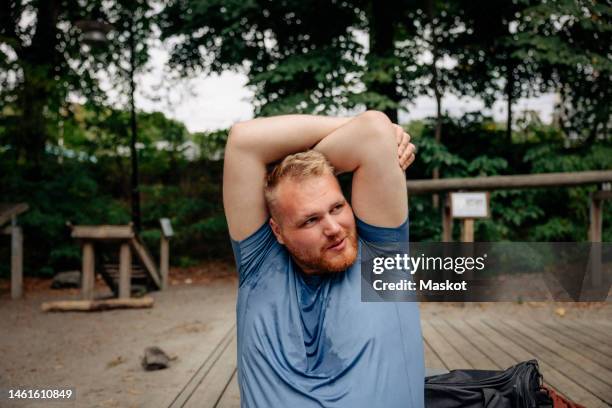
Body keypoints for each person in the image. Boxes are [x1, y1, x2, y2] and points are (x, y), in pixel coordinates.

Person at [223, 111, 424, 407]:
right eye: (310, 220)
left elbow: (372, 134)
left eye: (337, 207)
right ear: (278, 231)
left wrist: (301, 177)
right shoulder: (260, 264)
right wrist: (295, 181)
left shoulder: (382, 258)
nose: (333, 228)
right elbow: (243, 141)